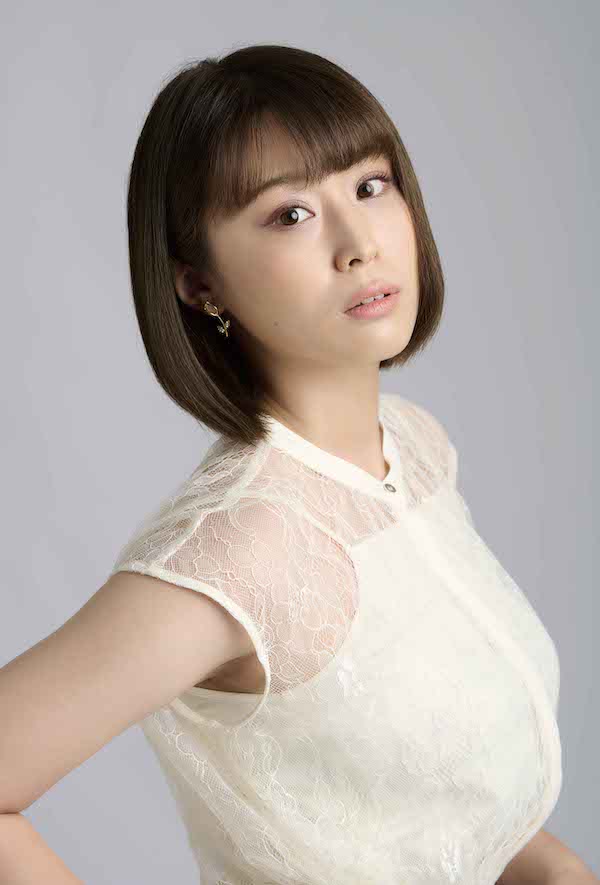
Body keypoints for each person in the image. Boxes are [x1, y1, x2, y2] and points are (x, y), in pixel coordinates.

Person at [1, 42, 591, 885]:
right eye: (290, 214)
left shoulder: (415, 449)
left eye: (370, 185)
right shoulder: (244, 544)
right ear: (200, 285)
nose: (359, 243)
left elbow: (440, 813)